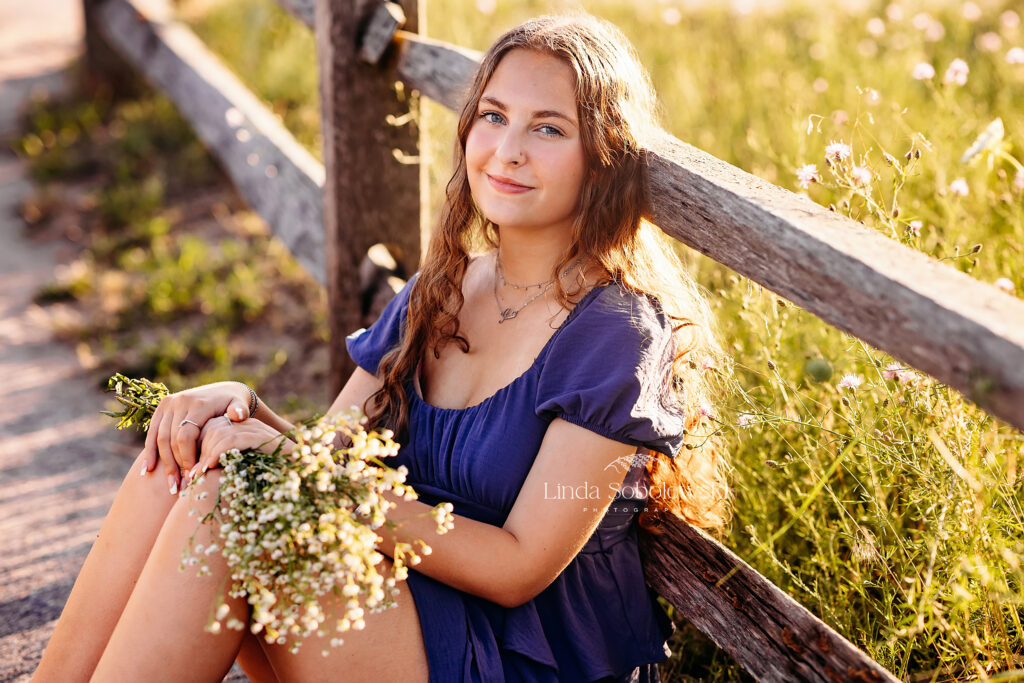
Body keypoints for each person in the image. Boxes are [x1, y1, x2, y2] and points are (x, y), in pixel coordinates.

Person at [34, 11, 731, 683]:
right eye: (493, 116)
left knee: (231, 510)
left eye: (548, 128)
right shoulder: (443, 288)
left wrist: (287, 465)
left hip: (514, 652)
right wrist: (246, 415)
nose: (508, 149)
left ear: (603, 155)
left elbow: (517, 568)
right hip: (404, 609)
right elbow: (327, 460)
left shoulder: (615, 333)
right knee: (185, 460)